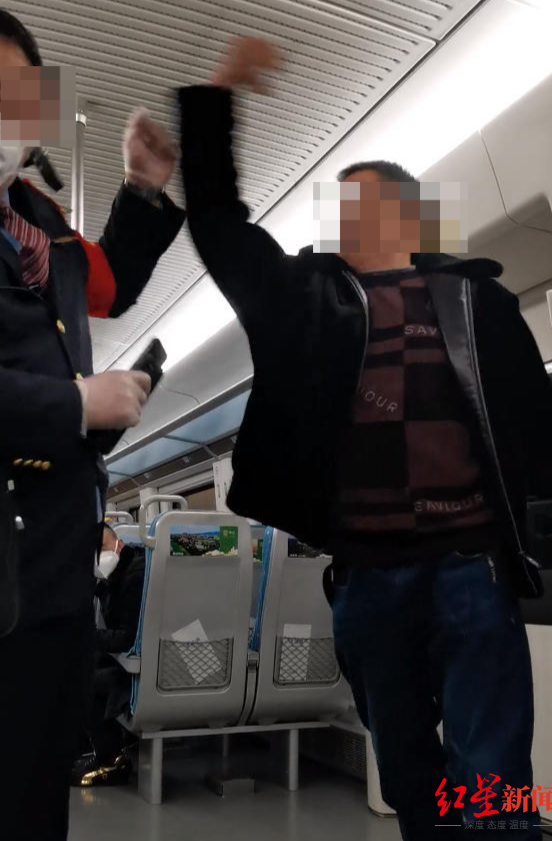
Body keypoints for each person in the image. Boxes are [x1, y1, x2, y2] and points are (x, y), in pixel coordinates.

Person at [176, 36, 552, 841]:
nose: (345, 221)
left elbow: (537, 429)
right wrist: (214, 99)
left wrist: (532, 539)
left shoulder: (477, 302)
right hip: (367, 576)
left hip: (470, 567)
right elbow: (218, 225)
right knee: (409, 774)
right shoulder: (303, 301)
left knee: (491, 776)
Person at [0, 11, 185, 841]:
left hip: (55, 572)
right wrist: (74, 405)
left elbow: (109, 283)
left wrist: (142, 190)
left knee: (38, 797)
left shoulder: (38, 221)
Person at [71, 524, 145, 787]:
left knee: (82, 682)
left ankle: (112, 760)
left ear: (119, 545)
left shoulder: (135, 576)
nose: (98, 556)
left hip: (143, 669)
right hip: (131, 660)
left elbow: (127, 637)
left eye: (102, 547)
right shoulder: (114, 575)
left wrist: (87, 635)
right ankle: (91, 745)